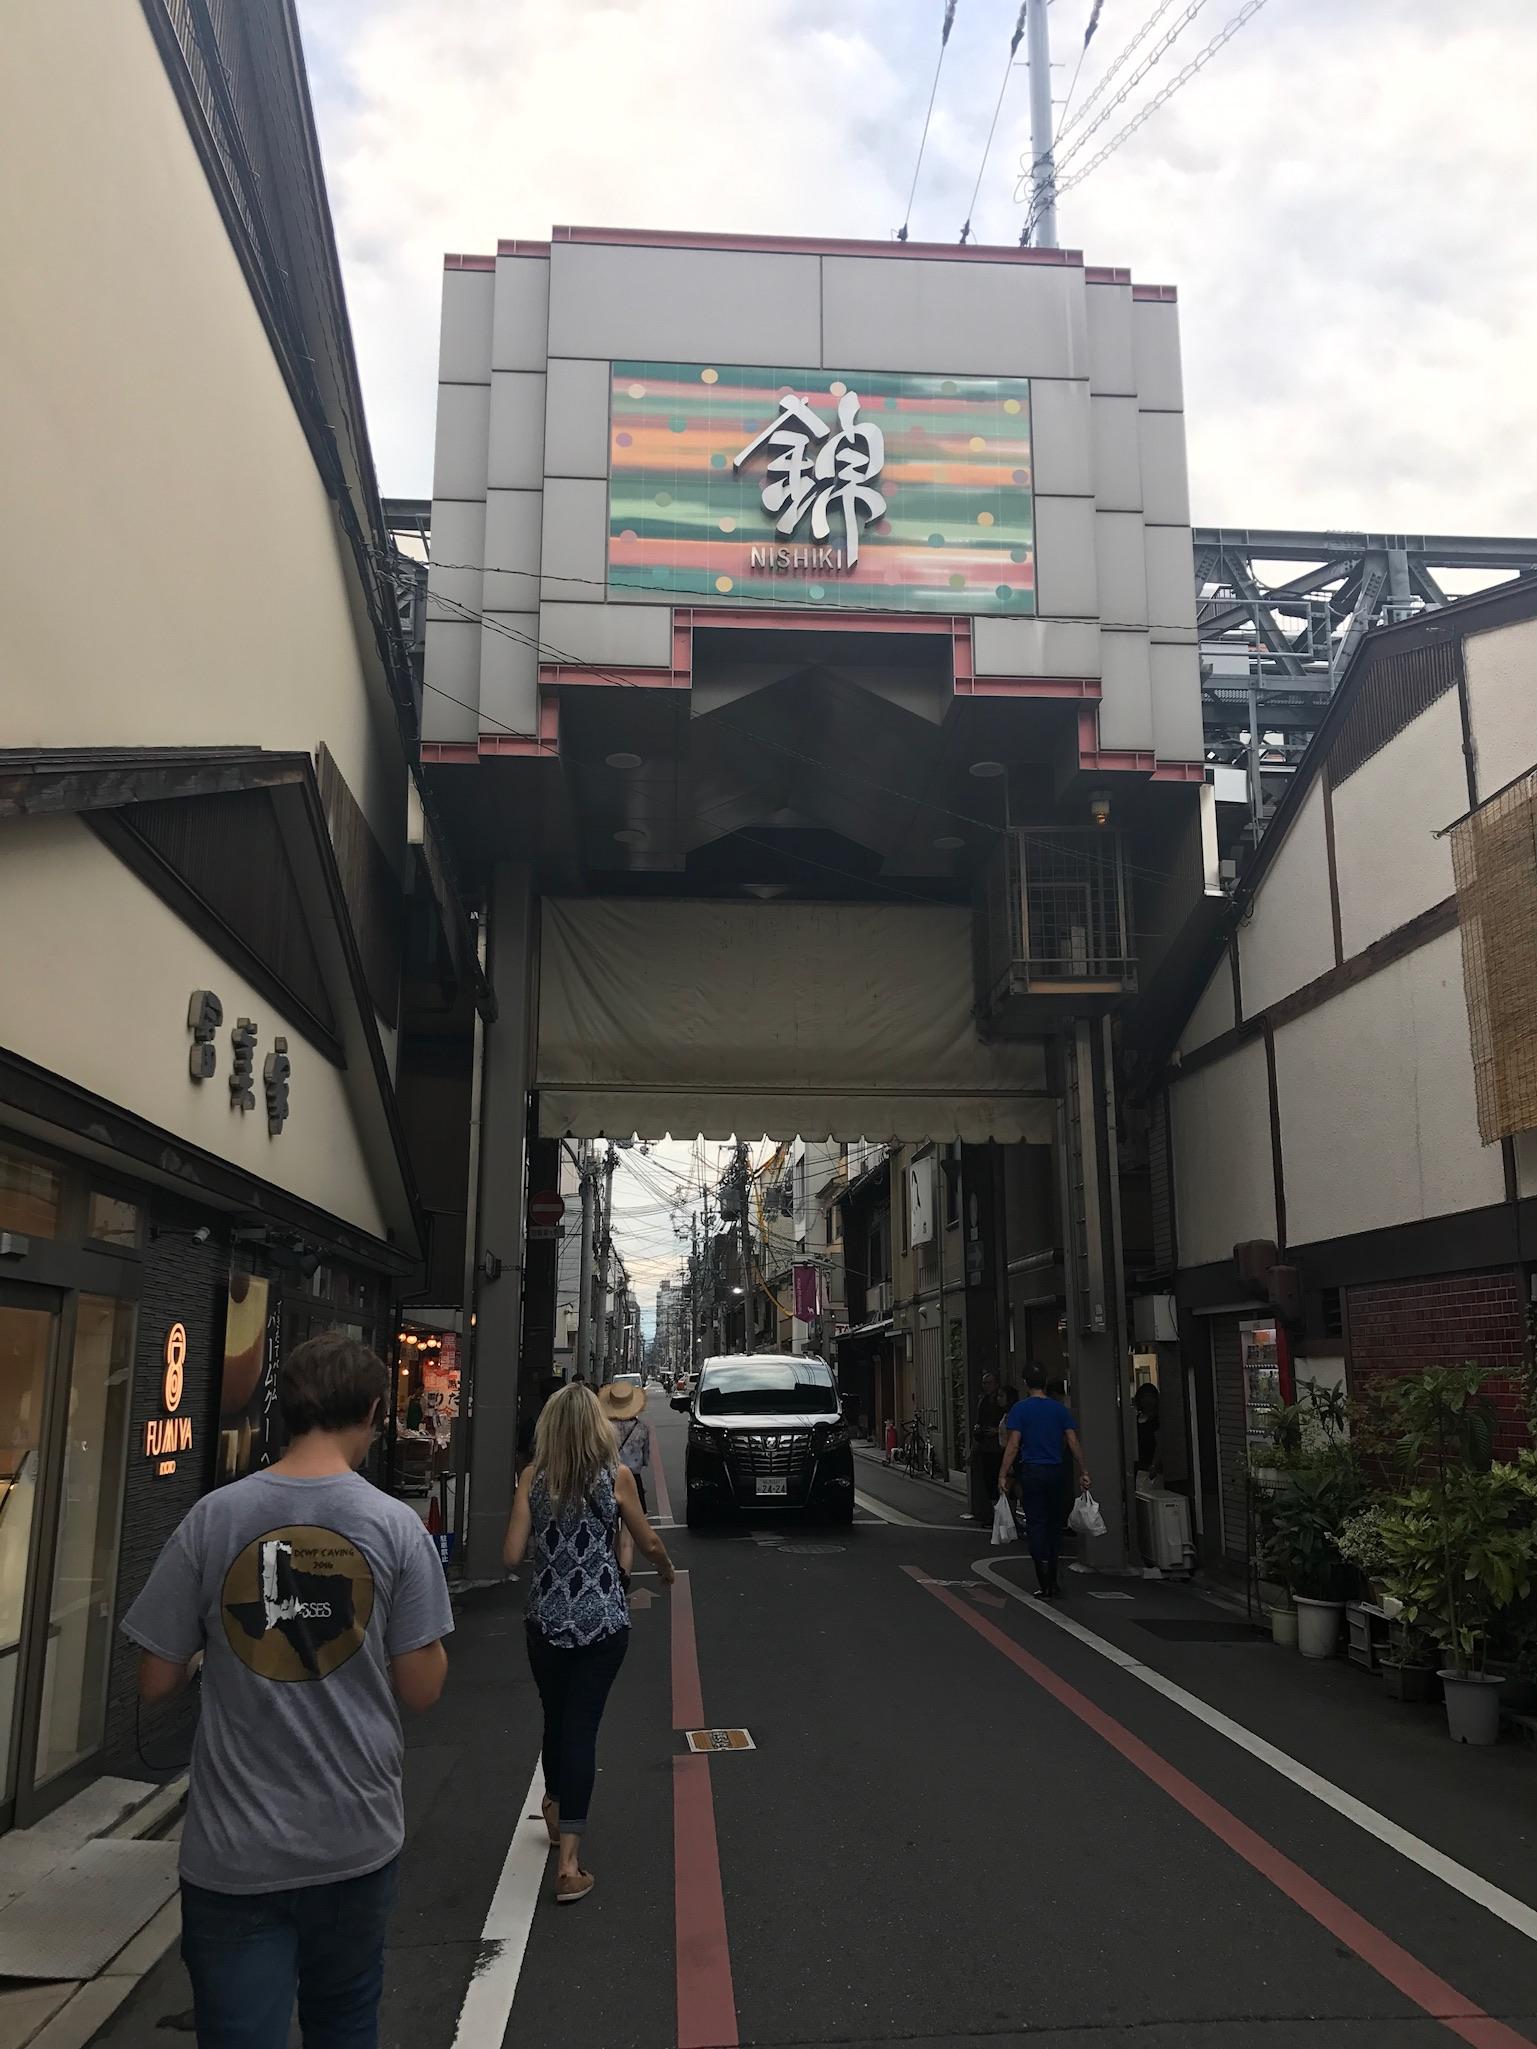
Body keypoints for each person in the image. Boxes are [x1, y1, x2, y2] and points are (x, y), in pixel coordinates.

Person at [121, 1333, 453, 2049]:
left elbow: (155, 1679)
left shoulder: (214, 1518)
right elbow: (421, 1688)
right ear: (370, 1410)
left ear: (287, 1409)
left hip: (233, 1848)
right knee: (343, 2022)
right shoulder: (395, 1526)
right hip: (354, 1835)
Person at [503, 1382, 675, 1905]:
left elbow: (511, 1554)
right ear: (597, 1427)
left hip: (546, 1623)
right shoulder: (615, 1478)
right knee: (581, 1727)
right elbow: (646, 1540)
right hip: (601, 1623)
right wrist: (665, 1569)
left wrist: (545, 1541)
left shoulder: (533, 1479)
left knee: (556, 1716)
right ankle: (570, 1864)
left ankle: (554, 1804)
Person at [998, 1363, 1090, 1598]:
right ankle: (1053, 1578)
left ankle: (1043, 1577)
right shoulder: (1059, 1410)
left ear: (1026, 1383)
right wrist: (1083, 1470)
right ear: (1045, 1381)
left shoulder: (1020, 1410)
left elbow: (1013, 1444)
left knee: (1036, 1523)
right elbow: (1072, 1441)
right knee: (1054, 1524)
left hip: (1033, 1471)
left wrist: (1003, 1473)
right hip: (1057, 1472)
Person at [598, 1377, 651, 1578]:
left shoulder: (602, 1428)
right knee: (628, 1540)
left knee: (610, 1533)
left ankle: (610, 1574)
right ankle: (624, 1579)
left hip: (606, 1479)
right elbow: (645, 1460)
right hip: (633, 1480)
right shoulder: (642, 1429)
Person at [967, 1370, 1010, 1520]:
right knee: (989, 1479)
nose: (986, 1386)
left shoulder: (1003, 1403)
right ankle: (995, 1513)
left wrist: (997, 1430)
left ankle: (1003, 1514)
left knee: (1000, 1479)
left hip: (1000, 1447)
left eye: (989, 1383)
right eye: (984, 1383)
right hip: (986, 1445)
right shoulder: (983, 1400)